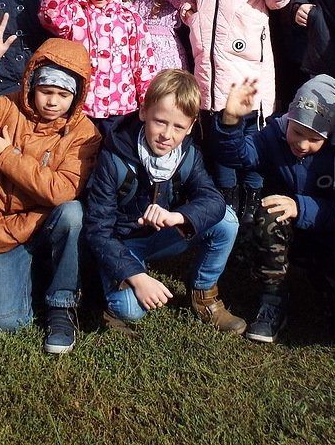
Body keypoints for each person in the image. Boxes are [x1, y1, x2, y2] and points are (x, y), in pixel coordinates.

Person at [0, 10, 102, 355]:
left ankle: (61, 304)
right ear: (31, 85)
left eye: (63, 95)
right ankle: (33, 271)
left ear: (76, 97)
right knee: (8, 322)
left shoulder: (84, 133)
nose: (52, 101)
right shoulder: (7, 109)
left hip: (48, 222)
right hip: (5, 229)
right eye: (46, 90)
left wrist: (5, 155)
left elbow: (62, 190)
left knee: (73, 213)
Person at [83, 69, 246, 335]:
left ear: (191, 126)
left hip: (161, 235)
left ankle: (205, 296)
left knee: (227, 220)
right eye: (159, 121)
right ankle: (107, 299)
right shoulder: (113, 156)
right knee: (131, 310)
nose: (166, 135)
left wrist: (178, 217)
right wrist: (137, 277)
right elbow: (98, 230)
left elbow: (213, 200)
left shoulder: (188, 154)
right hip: (122, 241)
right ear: (143, 112)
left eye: (178, 127)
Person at [206, 74, 335, 343]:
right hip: (281, 230)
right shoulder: (273, 136)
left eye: (314, 138)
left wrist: (301, 207)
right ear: (289, 120)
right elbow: (236, 156)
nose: (302, 144)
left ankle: (328, 283)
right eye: (297, 132)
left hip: (328, 236)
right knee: (270, 213)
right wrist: (231, 121)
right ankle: (272, 299)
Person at [186, 0, 291, 212]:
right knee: (217, 125)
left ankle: (253, 192)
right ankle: (226, 197)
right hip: (208, 54)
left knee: (250, 127)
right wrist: (190, 11)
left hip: (245, 53)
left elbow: (277, 2)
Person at [40, 0, 156, 134]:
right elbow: (51, 17)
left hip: (121, 107)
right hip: (83, 106)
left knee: (113, 156)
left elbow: (143, 63)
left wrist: (147, 101)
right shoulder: (77, 11)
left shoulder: (130, 18)